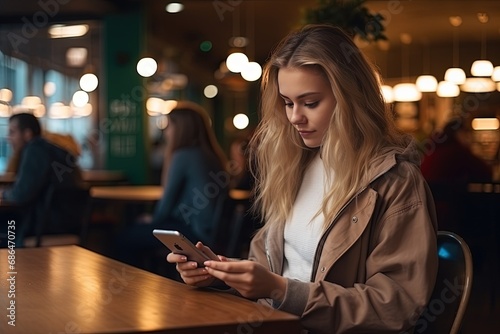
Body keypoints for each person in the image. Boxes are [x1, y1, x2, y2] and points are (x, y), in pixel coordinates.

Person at [167, 24, 438, 333]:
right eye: (287, 102)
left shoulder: (395, 182)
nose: (295, 116)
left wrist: (283, 291)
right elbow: (267, 272)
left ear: (350, 98)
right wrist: (221, 277)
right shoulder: (293, 165)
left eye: (310, 103)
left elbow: (396, 307)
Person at [113, 101, 229, 272]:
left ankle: (136, 288)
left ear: (180, 128)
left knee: (123, 238)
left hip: (194, 235)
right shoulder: (212, 156)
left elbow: (166, 203)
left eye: (169, 126)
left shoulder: (183, 156)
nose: (166, 132)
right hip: (214, 233)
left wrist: (152, 220)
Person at [0, 112, 84, 247]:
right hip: (69, 224)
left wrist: (4, 193)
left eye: (12, 132)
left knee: (4, 229)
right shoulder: (56, 151)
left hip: (46, 228)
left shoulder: (34, 151)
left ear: (27, 134)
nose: (9, 138)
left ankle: (11, 268)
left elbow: (21, 194)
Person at [420, 116, 492, 233]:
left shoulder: (433, 149)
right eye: (466, 132)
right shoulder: (457, 152)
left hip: (426, 211)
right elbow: (486, 172)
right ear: (459, 133)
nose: (469, 136)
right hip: (448, 215)